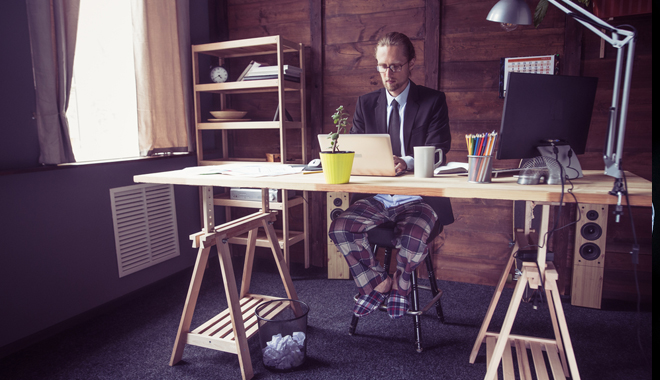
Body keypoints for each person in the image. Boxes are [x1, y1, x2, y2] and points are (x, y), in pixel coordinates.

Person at [328, 32, 454, 320]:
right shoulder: (365, 103)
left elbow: (439, 150)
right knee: (340, 229)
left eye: (396, 66)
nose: (389, 73)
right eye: (383, 66)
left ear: (411, 63)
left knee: (413, 235)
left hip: (419, 199)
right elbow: (354, 149)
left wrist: (405, 161)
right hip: (378, 198)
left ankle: (401, 284)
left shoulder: (432, 101)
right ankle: (379, 283)